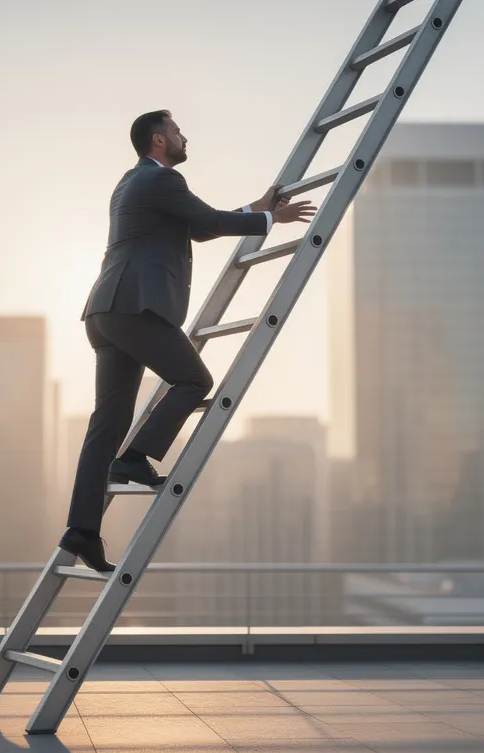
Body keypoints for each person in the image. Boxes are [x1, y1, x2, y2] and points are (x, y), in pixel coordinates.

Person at [60, 110, 317, 572]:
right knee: (193, 380)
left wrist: (259, 209)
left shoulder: (133, 181)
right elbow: (209, 221)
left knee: (108, 421)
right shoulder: (161, 182)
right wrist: (268, 218)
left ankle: (81, 530)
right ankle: (135, 458)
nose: (185, 137)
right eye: (177, 131)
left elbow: (198, 227)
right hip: (133, 306)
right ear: (159, 140)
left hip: (106, 312)